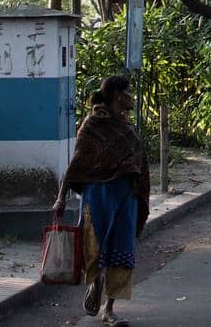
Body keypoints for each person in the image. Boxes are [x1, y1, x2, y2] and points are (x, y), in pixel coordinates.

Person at [54, 75, 149, 326]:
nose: (132, 97)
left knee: (122, 251)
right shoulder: (92, 124)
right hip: (97, 198)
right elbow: (76, 164)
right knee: (94, 251)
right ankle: (95, 282)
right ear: (118, 95)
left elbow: (138, 163)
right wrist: (61, 197)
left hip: (125, 198)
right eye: (129, 92)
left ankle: (109, 309)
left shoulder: (126, 127)